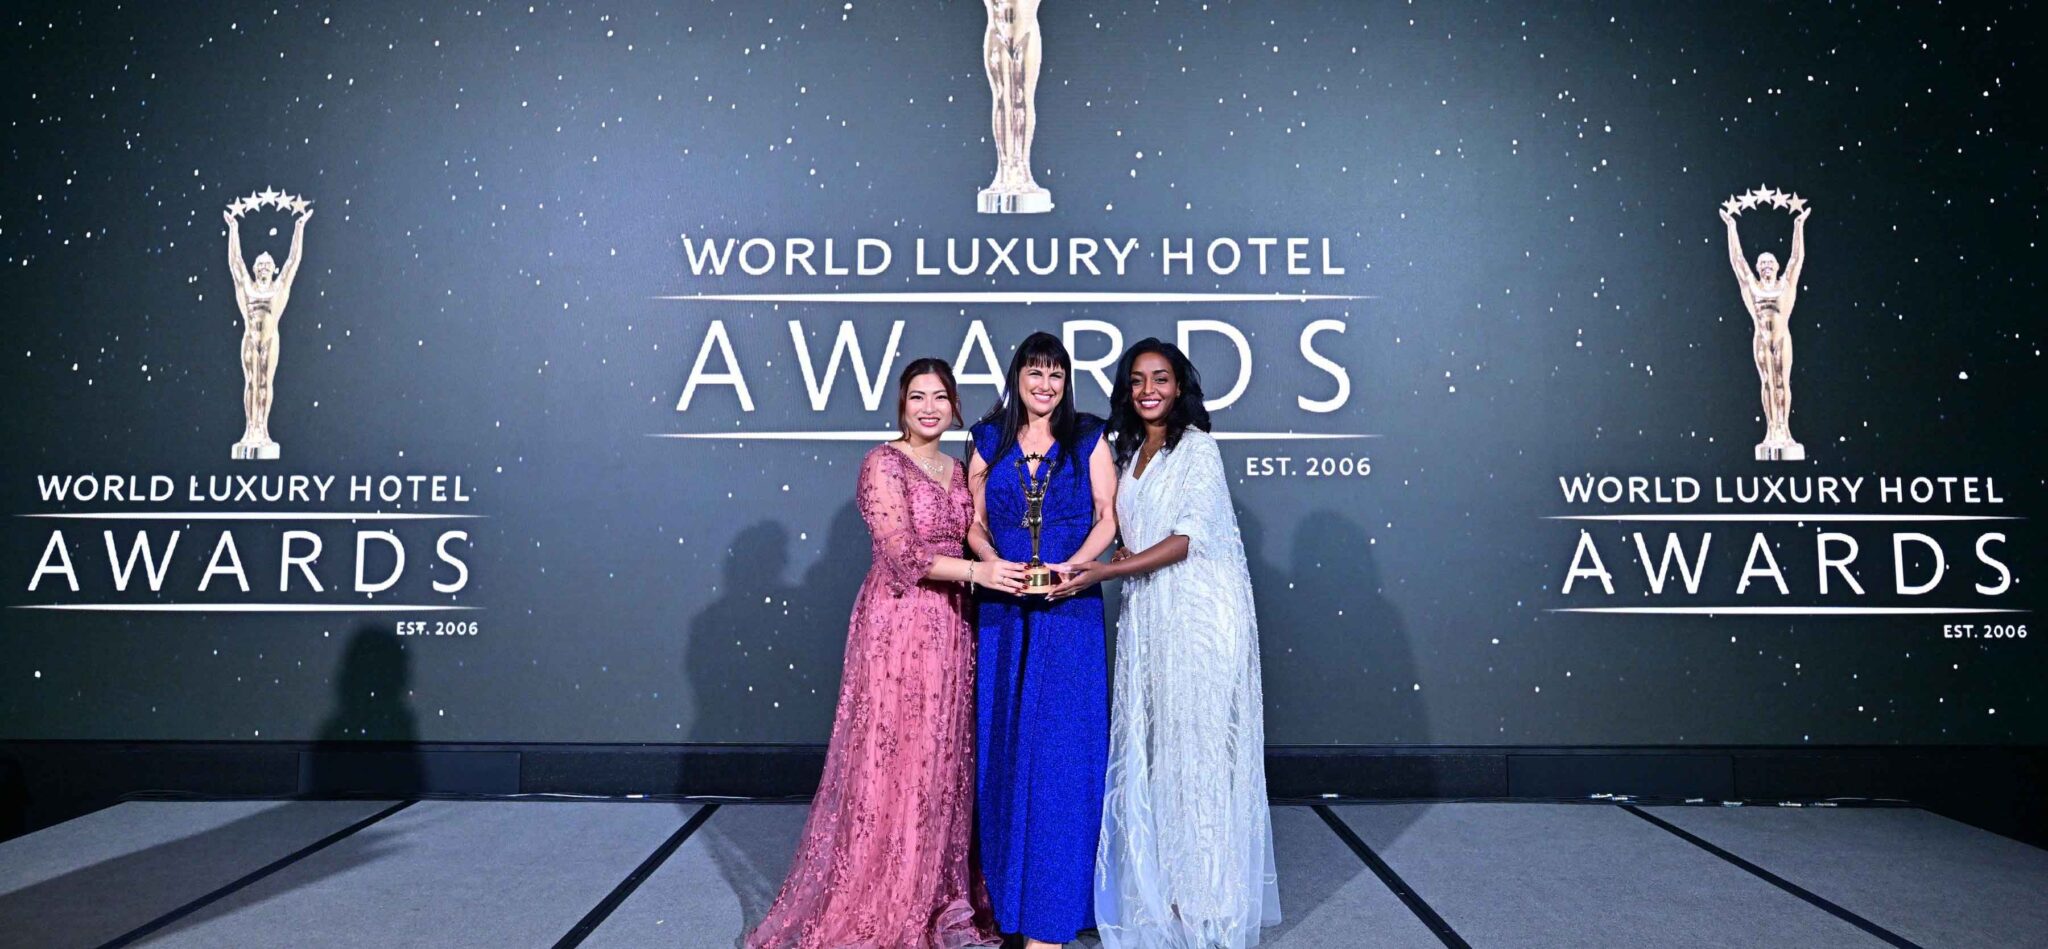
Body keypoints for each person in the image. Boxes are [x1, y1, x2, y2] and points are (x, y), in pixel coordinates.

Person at [746, 358, 1019, 949]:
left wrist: (998, 562)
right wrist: (982, 572)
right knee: (893, 757)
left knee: (943, 761)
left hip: (955, 626)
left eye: (940, 397)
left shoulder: (956, 468)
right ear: (901, 405)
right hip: (898, 624)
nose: (929, 408)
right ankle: (888, 896)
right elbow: (902, 555)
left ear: (955, 406)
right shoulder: (882, 463)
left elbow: (972, 531)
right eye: (918, 396)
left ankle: (940, 898)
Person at [1055, 339, 1281, 948]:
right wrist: (1114, 556)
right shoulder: (1130, 451)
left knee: (1197, 754)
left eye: (1160, 378)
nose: (1148, 390)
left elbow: (1186, 539)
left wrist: (1105, 571)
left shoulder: (1197, 447)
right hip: (1152, 612)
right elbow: (1138, 529)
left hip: (1200, 615)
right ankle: (1173, 891)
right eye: (1137, 380)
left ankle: (1205, 906)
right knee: (1162, 752)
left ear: (1179, 386)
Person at [968, 332, 1119, 948]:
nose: (1045, 384)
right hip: (1003, 615)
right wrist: (990, 563)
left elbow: (1108, 517)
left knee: (1062, 760)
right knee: (1003, 752)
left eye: (1056, 374)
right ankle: (1006, 907)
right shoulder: (987, 439)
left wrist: (1073, 570)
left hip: (1069, 612)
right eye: (1035, 372)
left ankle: (1051, 922)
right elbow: (974, 522)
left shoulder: (1089, 436)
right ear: (1017, 378)